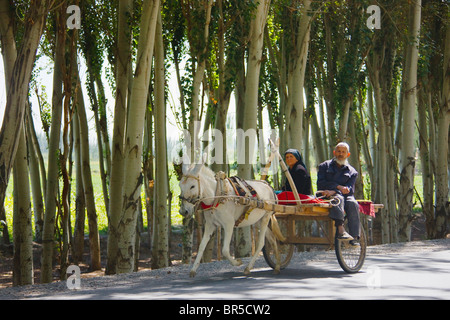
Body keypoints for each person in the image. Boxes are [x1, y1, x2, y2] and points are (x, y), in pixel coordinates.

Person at [317, 142, 360, 243]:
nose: (341, 154)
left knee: (353, 203)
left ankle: (355, 237)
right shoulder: (324, 166)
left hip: (345, 196)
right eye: (338, 151)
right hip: (326, 195)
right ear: (334, 153)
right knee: (337, 199)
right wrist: (338, 187)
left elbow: (350, 189)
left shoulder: (352, 171)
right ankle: (341, 229)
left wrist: (339, 190)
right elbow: (321, 183)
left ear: (347, 154)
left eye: (343, 152)